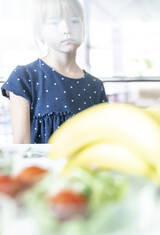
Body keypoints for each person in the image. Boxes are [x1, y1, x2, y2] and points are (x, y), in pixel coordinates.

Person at [1, 0, 107, 144]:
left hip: (82, 166)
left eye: (74, 21)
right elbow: (21, 145)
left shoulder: (95, 85)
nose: (66, 28)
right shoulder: (25, 77)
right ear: (40, 31)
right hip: (39, 166)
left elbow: (103, 140)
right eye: (54, 22)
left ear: (84, 27)